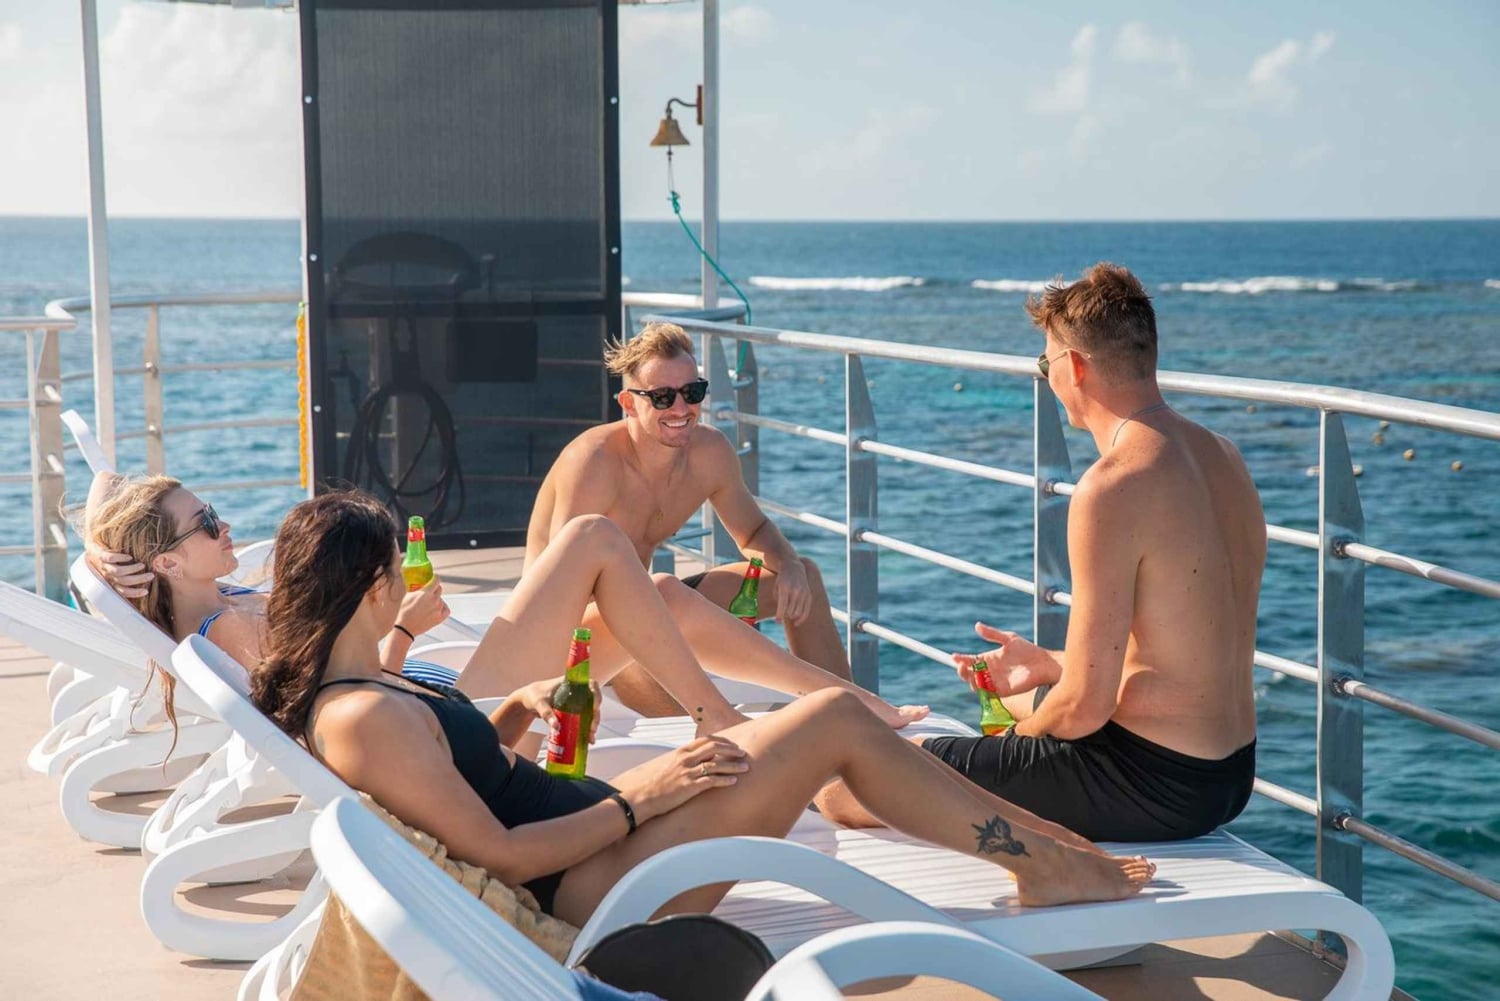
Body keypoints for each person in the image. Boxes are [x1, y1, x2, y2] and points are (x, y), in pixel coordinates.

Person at [251, 490, 1154, 930]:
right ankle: (1049, 861)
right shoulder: (360, 714)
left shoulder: (370, 688)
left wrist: (515, 718)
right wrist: (645, 792)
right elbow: (501, 851)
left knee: (828, 727)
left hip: (602, 843)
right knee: (832, 723)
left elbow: (455, 783)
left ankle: (1045, 848)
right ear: (375, 584)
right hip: (599, 887)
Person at [818, 263, 1266, 843]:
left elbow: (1083, 709)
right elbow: (1187, 646)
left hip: (1153, 781)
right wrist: (1052, 664)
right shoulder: (1224, 457)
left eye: (1044, 363)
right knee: (1029, 702)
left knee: (850, 782)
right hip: (1230, 775)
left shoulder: (1114, 485)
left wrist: (998, 753)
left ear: (1074, 367)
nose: (1046, 378)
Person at [80, 471, 750, 738]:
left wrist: (93, 546)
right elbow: (330, 706)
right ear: (165, 562)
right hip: (442, 715)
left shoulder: (212, 601)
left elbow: (105, 485)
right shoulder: (224, 628)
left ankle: (775, 706)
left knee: (657, 597)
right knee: (593, 539)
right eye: (207, 522)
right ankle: (721, 716)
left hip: (429, 694)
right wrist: (402, 628)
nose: (223, 527)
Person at [525, 322, 893, 722]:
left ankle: (854, 719)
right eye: (663, 397)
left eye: (692, 392)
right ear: (629, 403)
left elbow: (753, 532)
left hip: (649, 605)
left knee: (802, 575)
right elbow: (562, 594)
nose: (681, 409)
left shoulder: (709, 452)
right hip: (575, 632)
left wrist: (785, 564)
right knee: (666, 641)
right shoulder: (593, 464)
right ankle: (732, 734)